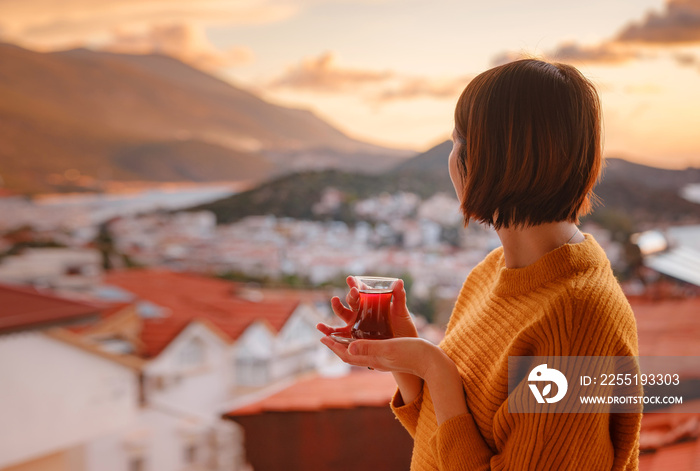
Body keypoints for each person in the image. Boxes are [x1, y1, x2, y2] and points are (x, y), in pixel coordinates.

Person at [317, 59, 641, 470]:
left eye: (457, 141)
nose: (450, 159)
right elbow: (447, 446)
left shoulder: (577, 319)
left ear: (490, 157)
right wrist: (406, 356)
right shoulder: (492, 273)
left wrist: (434, 366)